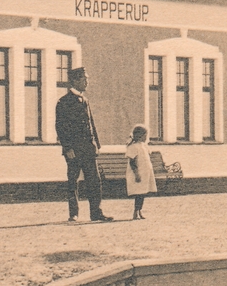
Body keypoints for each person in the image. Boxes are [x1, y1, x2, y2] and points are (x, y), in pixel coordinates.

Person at [54, 67, 113, 223]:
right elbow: (60, 127)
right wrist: (67, 148)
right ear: (75, 81)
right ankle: (73, 214)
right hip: (74, 150)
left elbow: (91, 123)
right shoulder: (64, 102)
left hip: (88, 149)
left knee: (94, 181)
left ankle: (96, 212)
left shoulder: (85, 100)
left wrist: (96, 144)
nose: (87, 82)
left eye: (87, 79)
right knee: (73, 182)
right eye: (84, 79)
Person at [125, 125, 156, 220]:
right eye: (145, 135)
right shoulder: (133, 147)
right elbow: (132, 162)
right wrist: (136, 173)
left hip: (145, 174)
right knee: (139, 193)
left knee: (143, 193)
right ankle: (136, 211)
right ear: (140, 135)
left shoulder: (144, 146)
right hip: (138, 173)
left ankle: (139, 210)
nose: (146, 137)